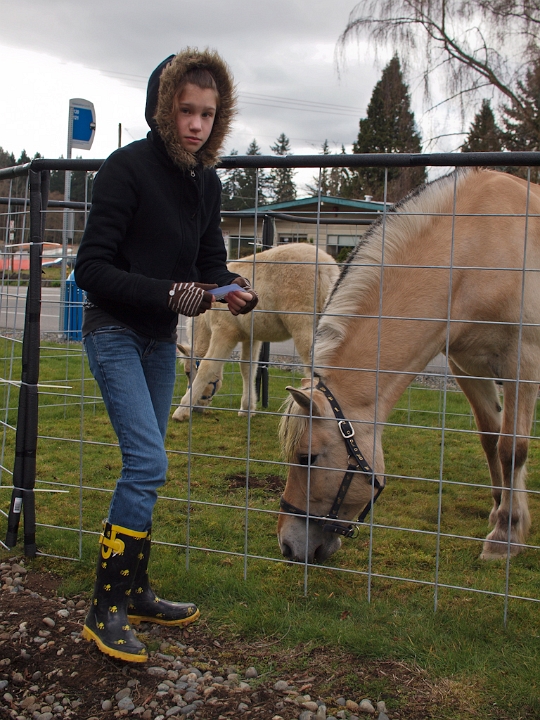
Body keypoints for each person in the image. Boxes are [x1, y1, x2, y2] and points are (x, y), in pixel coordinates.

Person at [74, 48, 258, 663]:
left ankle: (138, 590)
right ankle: (105, 611)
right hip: (114, 332)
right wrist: (168, 292)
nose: (197, 124)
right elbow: (90, 270)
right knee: (148, 463)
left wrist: (232, 288)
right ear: (163, 108)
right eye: (186, 110)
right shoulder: (125, 170)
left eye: (208, 113)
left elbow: (209, 264)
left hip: (158, 338)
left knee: (148, 468)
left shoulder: (206, 181)